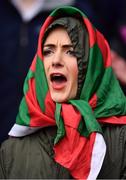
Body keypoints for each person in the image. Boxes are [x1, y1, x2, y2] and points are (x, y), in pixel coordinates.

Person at [1, 6, 126, 179]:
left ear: (93, 66)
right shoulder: (11, 151)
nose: (56, 61)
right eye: (48, 51)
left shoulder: (122, 141)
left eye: (71, 52)